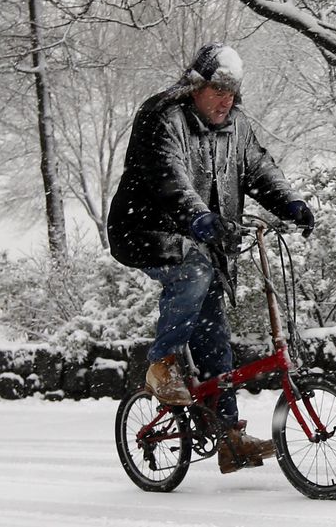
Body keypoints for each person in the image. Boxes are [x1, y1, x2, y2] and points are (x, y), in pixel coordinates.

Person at [107, 42, 315, 474]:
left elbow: (258, 168)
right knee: (194, 270)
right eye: (218, 90)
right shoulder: (162, 117)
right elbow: (169, 178)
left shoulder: (235, 126)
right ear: (195, 86)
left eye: (233, 92)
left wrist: (291, 205)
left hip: (203, 241)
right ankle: (161, 365)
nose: (227, 100)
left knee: (215, 336)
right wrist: (199, 218)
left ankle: (228, 438)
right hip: (147, 231)